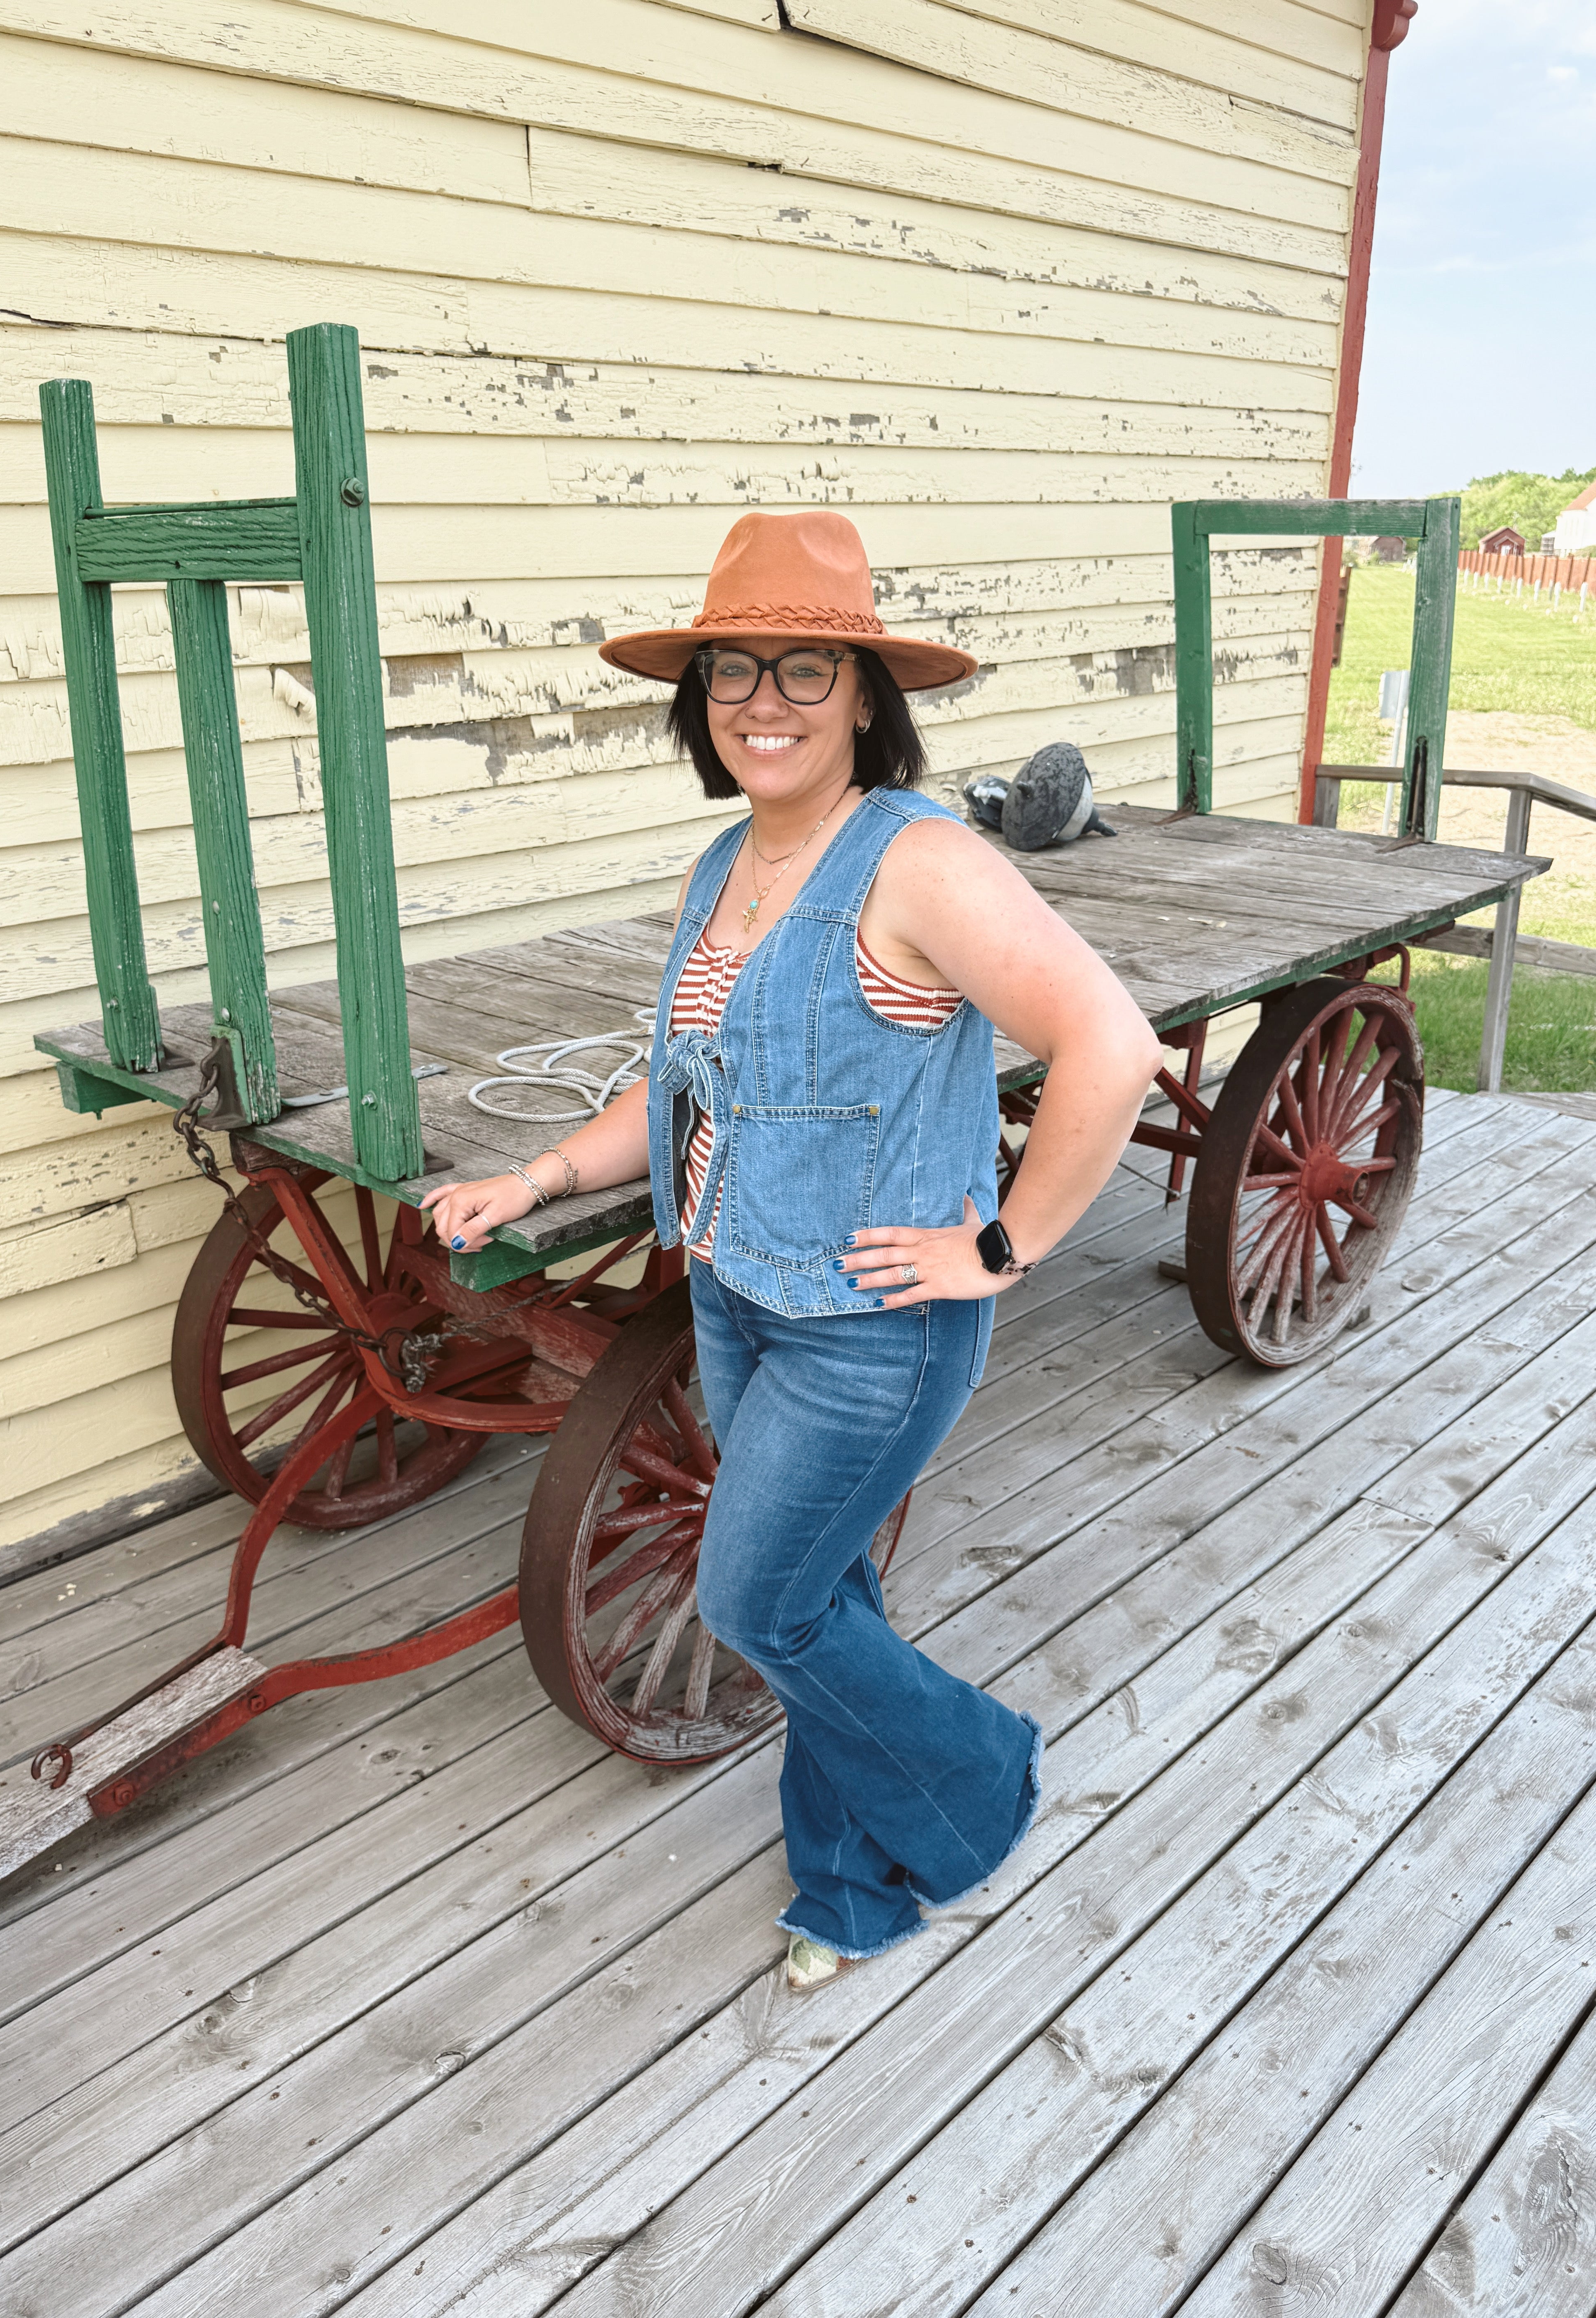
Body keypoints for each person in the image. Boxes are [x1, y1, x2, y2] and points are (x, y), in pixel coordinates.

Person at [423, 511, 1161, 1993]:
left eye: (805, 670)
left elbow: (1112, 1045)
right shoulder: (728, 863)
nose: (762, 700)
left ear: (865, 698)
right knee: (826, 1589)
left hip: (872, 1329)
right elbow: (688, 1078)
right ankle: (848, 1889)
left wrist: (1001, 1246)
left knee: (761, 1602)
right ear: (697, 701)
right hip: (738, 1297)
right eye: (731, 671)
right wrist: (543, 1172)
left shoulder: (921, 864)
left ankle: (976, 1776)